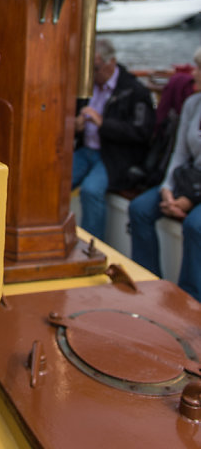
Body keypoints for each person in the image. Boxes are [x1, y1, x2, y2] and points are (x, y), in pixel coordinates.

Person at [129, 49, 201, 301]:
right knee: (139, 209)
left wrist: (190, 200)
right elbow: (179, 153)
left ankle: (189, 300)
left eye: (199, 68)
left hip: (194, 190)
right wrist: (167, 188)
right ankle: (148, 282)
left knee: (196, 226)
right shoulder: (193, 104)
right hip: (188, 181)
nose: (193, 73)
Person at [72, 37, 154, 240]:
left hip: (114, 157)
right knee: (54, 181)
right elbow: (75, 119)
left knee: (91, 191)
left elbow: (142, 132)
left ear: (111, 62)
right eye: (88, 68)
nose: (92, 74)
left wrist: (103, 124)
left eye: (96, 68)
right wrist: (77, 126)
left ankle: (90, 247)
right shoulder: (87, 86)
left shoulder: (135, 91)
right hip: (86, 150)